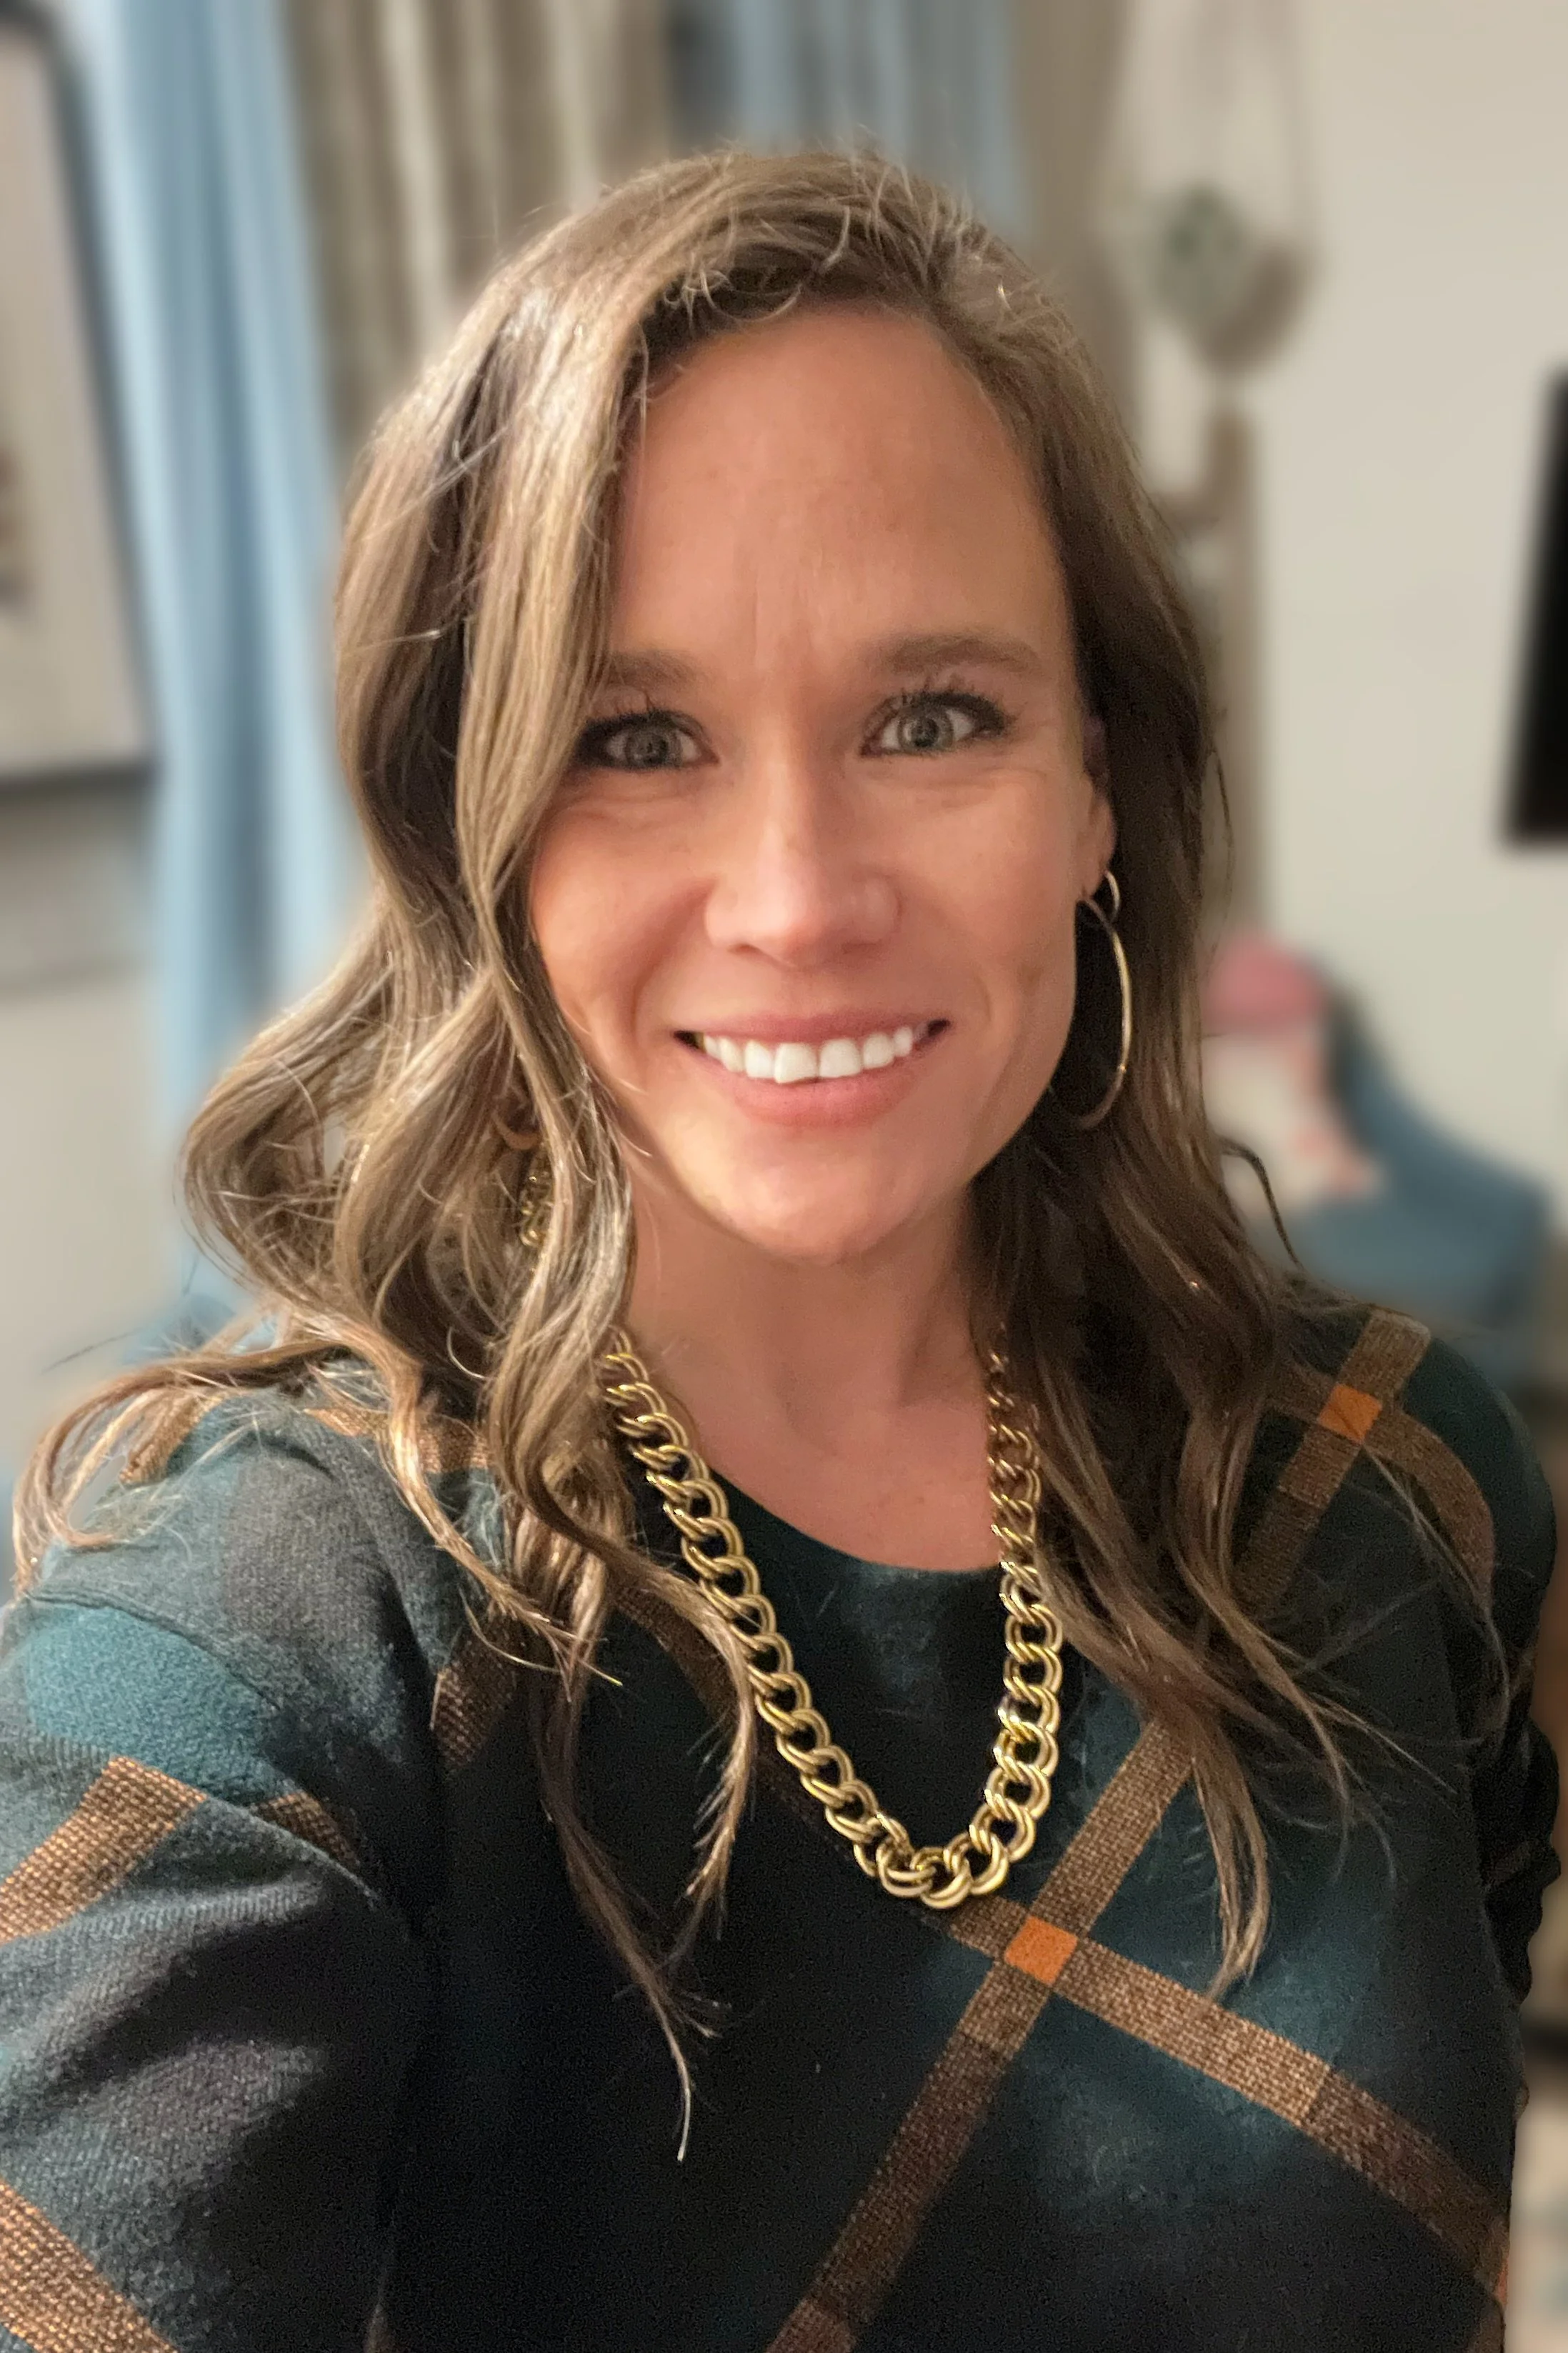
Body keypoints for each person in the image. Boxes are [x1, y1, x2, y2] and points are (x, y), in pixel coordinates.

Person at [1, 150, 1557, 2353]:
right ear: (475, 823)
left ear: (1098, 783)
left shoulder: (1393, 1483)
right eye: (637, 741)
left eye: (934, 718)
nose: (800, 892)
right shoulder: (274, 1629)